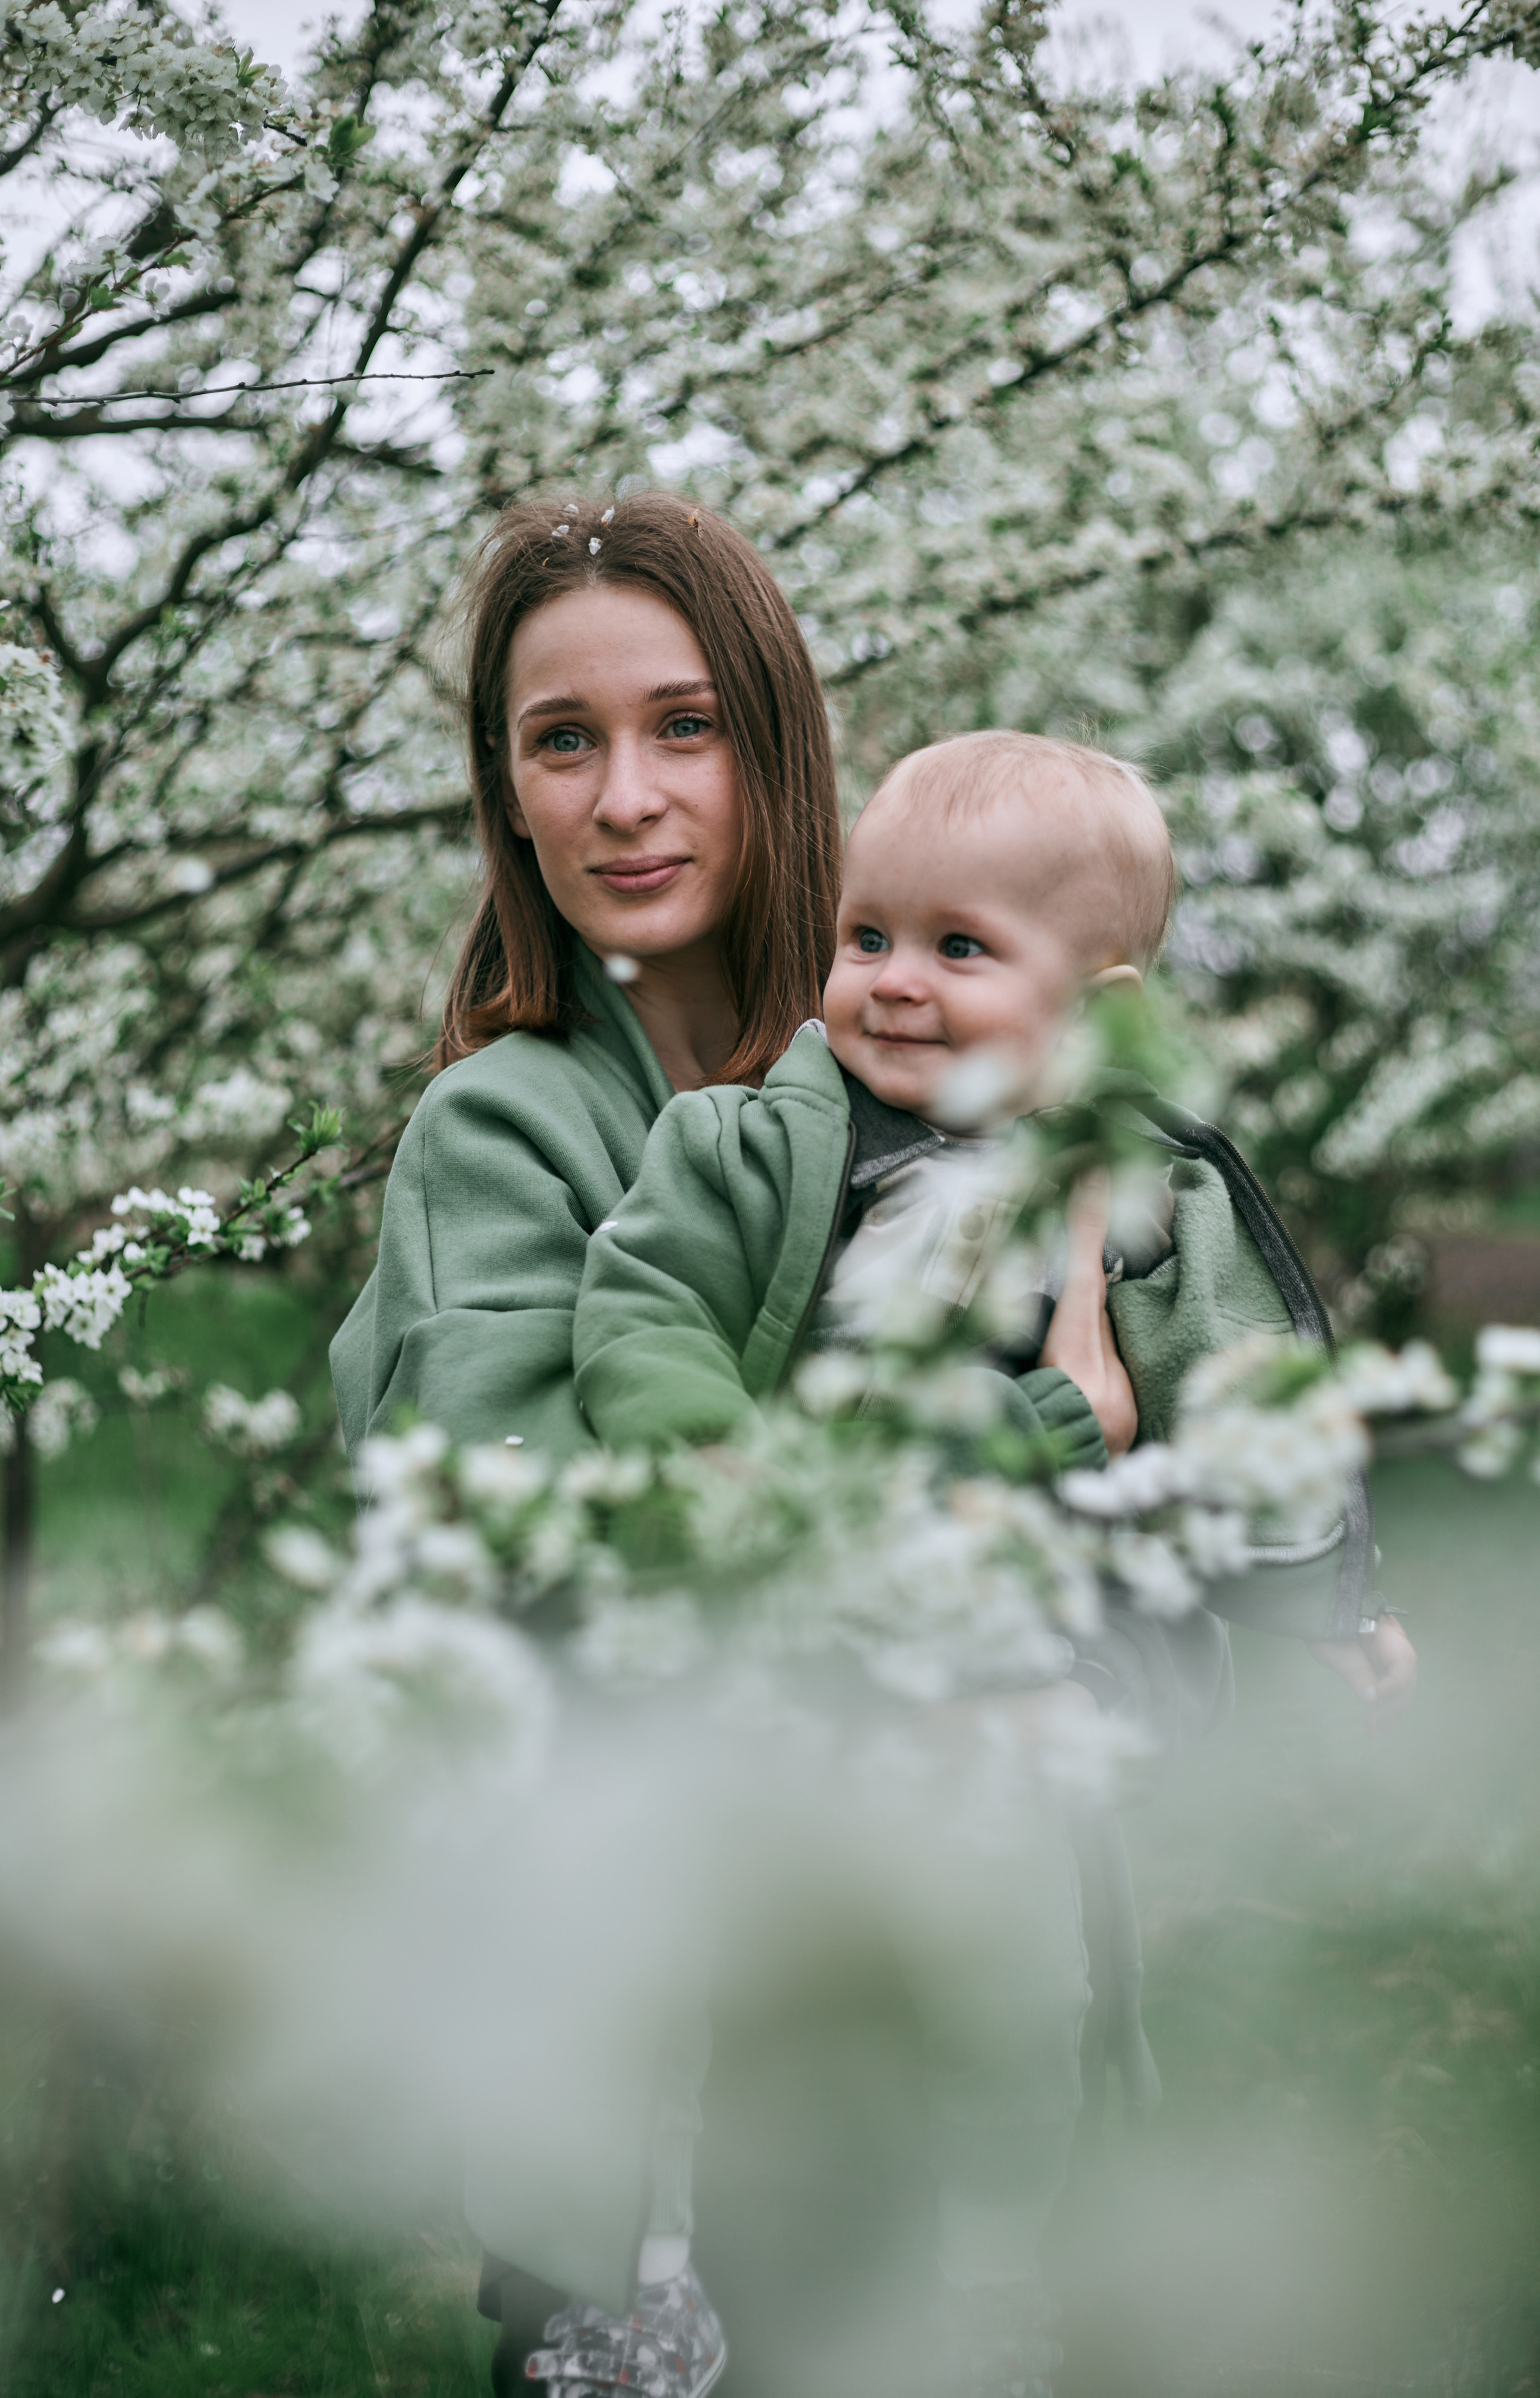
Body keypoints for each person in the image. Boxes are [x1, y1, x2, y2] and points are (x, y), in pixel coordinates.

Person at [570, 729, 1417, 2389]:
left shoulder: (1149, 1201)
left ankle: (992, 2292)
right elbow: (643, 1311)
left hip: (1014, 1700)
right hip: (791, 1666)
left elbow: (1249, 1412)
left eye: (960, 949)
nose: (890, 983)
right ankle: (680, 2281)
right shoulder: (747, 1152)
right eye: (868, 935)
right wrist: (703, 1434)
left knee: (1014, 1999)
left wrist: (1323, 1601)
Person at [329, 487, 843, 2398]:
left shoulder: (904, 1074)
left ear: (774, 752)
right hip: (649, 2110)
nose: (626, 794)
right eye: (566, 739)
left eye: (685, 727)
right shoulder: (506, 1133)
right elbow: (564, 1575)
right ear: (512, 796)